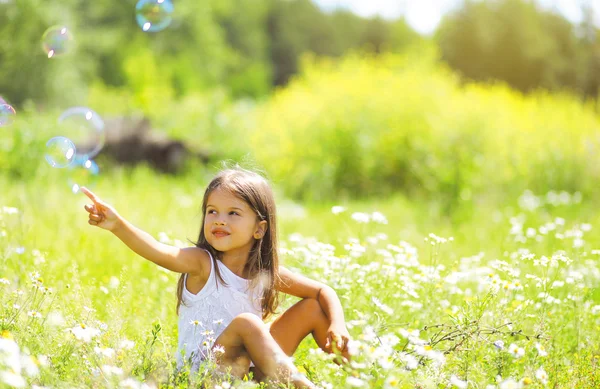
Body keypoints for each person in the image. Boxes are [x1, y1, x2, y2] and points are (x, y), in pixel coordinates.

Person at [81, 167, 351, 388]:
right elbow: (157, 250)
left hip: (250, 373)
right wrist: (117, 225)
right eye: (212, 211)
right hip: (205, 375)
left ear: (259, 229)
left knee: (313, 308)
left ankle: (359, 374)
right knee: (248, 323)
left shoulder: (264, 273)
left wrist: (338, 325)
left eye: (233, 213)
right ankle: (298, 385)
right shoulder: (202, 264)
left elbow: (322, 291)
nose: (219, 220)